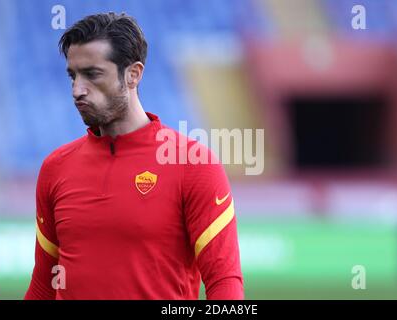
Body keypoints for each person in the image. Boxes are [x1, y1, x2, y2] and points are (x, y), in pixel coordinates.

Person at [25, 12, 243, 300]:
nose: (77, 89)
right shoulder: (56, 167)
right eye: (73, 75)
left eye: (92, 74)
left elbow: (224, 283)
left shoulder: (192, 163)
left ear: (133, 74)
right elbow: (44, 284)